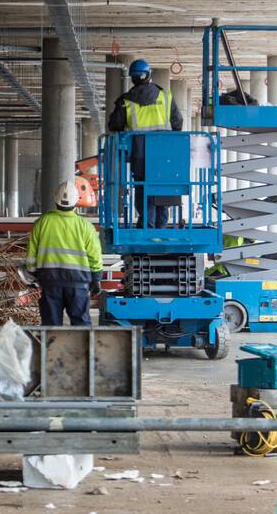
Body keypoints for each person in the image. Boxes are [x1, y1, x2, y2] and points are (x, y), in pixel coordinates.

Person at [107, 59, 183, 228]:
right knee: (162, 187)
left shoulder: (125, 101)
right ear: (149, 75)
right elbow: (178, 122)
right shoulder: (165, 96)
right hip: (164, 153)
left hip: (139, 153)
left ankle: (146, 225)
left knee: (142, 187)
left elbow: (114, 125)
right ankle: (160, 228)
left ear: (132, 78)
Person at [25, 180, 103, 326]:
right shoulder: (85, 226)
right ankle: (81, 349)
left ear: (55, 199)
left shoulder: (42, 223)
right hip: (78, 284)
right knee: (81, 325)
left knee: (51, 326)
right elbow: (95, 256)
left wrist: (32, 275)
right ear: (76, 202)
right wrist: (96, 277)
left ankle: (50, 349)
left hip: (49, 282)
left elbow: (31, 255)